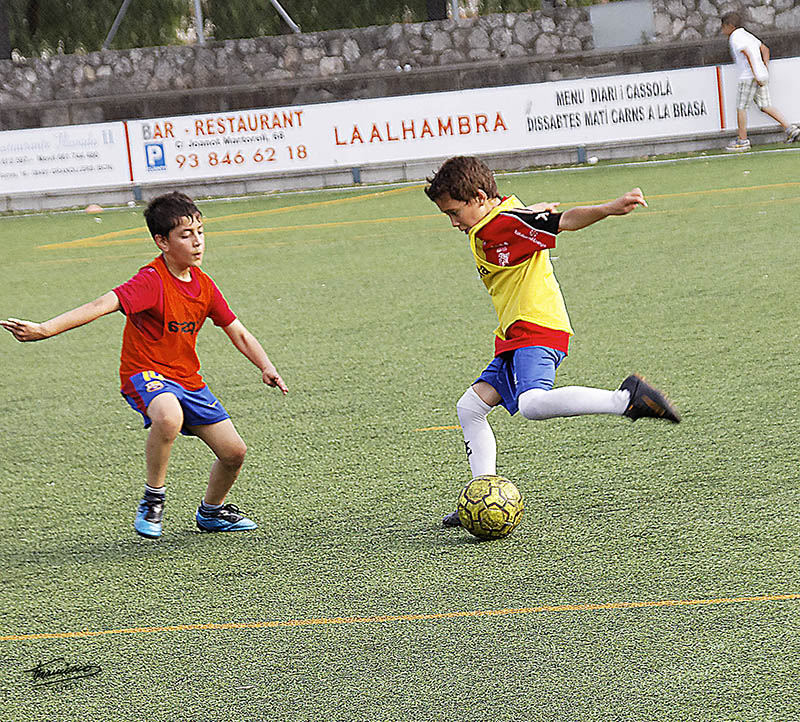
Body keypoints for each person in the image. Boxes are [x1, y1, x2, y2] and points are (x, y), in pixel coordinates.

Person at [1, 191, 288, 539]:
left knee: (234, 453)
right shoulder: (150, 281)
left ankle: (212, 513)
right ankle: (154, 499)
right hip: (145, 373)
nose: (197, 242)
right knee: (168, 416)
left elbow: (237, 331)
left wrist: (265, 365)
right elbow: (100, 304)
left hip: (189, 380)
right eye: (186, 235)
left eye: (200, 232)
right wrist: (45, 329)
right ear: (162, 242)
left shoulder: (204, 285)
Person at [424, 156, 680, 528]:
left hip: (537, 328)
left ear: (479, 197)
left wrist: (609, 208)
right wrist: (536, 211)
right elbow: (528, 218)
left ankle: (626, 399)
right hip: (515, 335)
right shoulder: (502, 217)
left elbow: (565, 222)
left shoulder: (503, 224)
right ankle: (482, 492)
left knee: (532, 405)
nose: (452, 222)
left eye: (454, 212)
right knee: (470, 408)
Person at [721, 11, 800, 152]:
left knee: (741, 107)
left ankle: (743, 140)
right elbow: (765, 50)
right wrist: (764, 69)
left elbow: (747, 53)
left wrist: (755, 72)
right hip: (760, 74)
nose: (722, 30)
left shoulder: (735, 37)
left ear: (730, 26)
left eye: (723, 26)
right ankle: (791, 129)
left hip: (749, 76)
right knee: (765, 105)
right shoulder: (747, 35)